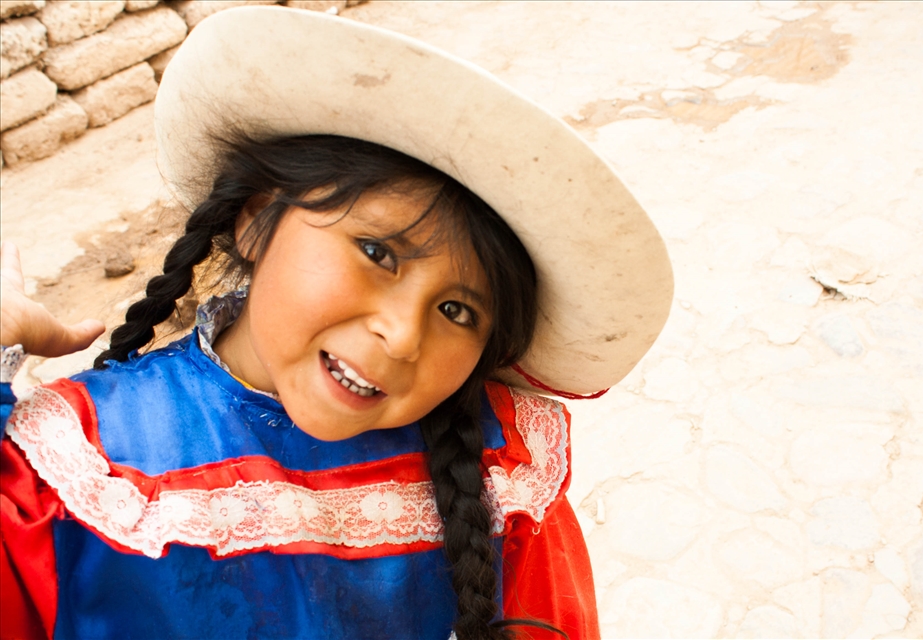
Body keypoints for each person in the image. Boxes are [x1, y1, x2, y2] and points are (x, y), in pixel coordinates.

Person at [0, 7, 673, 640]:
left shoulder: (502, 471)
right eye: (377, 253)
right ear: (257, 219)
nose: (403, 335)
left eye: (457, 310)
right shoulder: (78, 469)